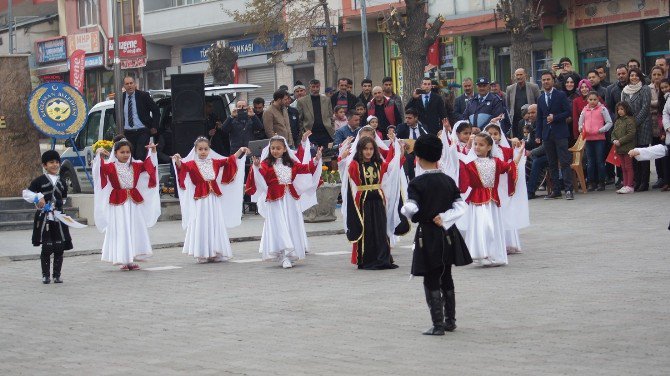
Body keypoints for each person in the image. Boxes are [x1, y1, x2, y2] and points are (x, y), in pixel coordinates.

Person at [400, 134, 470, 335]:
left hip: (428, 236)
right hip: (448, 234)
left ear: (418, 158)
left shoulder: (417, 183)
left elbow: (411, 207)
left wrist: (406, 210)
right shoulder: (447, 180)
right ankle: (450, 320)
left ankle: (438, 324)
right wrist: (445, 217)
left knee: (431, 277)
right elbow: (461, 206)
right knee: (446, 274)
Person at [245, 135, 322, 268]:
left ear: (285, 149)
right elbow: (260, 176)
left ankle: (291, 252)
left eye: (278, 148)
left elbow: (306, 168)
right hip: (275, 199)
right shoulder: (266, 164)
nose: (275, 150)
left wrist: (316, 159)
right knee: (279, 224)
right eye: (273, 148)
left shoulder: (291, 163)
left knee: (291, 223)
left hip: (290, 199)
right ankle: (282, 254)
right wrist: (256, 167)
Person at [173, 138, 249, 263]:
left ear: (209, 149)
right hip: (201, 200)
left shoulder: (214, 162)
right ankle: (202, 253)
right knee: (202, 223)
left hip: (213, 198)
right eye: (200, 149)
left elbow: (229, 160)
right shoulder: (192, 164)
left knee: (214, 222)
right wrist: (177, 160)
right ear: (196, 150)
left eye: (205, 149)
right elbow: (182, 167)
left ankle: (215, 251)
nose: (203, 152)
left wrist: (240, 151)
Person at [340, 135, 408, 270]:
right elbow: (343, 168)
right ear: (360, 150)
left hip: (378, 200)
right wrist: (343, 154)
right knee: (366, 229)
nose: (368, 152)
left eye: (371, 149)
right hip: (362, 200)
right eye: (365, 149)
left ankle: (382, 258)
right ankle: (366, 259)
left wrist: (400, 152)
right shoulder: (354, 165)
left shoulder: (379, 164)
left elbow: (392, 168)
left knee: (380, 229)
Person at [93, 135, 160, 271]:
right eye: (122, 152)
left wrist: (152, 152)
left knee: (133, 228)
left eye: (128, 152)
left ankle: (132, 257)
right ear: (115, 153)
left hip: (133, 203)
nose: (125, 154)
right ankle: (123, 259)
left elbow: (150, 166)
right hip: (118, 203)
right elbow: (98, 172)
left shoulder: (136, 165)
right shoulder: (110, 167)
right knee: (121, 228)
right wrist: (98, 155)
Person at [456, 132, 523, 266]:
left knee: (493, 227)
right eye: (475, 144)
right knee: (483, 226)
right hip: (477, 200)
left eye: (481, 145)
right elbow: (462, 179)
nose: (477, 147)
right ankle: (480, 254)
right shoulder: (470, 163)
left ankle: (495, 255)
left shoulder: (496, 162)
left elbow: (510, 168)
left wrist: (519, 154)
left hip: (492, 201)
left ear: (489, 147)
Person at [22, 150, 74, 284]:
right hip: (44, 219)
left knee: (59, 246)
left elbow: (63, 199)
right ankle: (45, 275)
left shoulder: (62, 182)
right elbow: (26, 193)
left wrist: (57, 206)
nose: (55, 165)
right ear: (45, 165)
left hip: (58, 218)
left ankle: (57, 275)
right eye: (51, 162)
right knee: (47, 247)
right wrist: (38, 199)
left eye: (57, 162)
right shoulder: (39, 181)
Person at [535, 71, 575, 200]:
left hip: (560, 133)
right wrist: (538, 134)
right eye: (543, 80)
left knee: (564, 162)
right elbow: (540, 118)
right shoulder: (540, 98)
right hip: (547, 135)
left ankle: (569, 190)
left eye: (548, 79)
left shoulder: (560, 95)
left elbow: (568, 112)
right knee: (551, 163)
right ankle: (556, 190)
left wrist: (555, 117)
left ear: (553, 81)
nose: (546, 82)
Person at [622, 67, 653, 192]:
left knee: (643, 155)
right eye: (631, 75)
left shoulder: (645, 89)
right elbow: (623, 108)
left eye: (636, 75)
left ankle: (645, 182)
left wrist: (634, 123)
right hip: (630, 128)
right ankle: (637, 180)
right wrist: (629, 125)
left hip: (643, 126)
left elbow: (645, 108)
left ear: (640, 76)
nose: (634, 77)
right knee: (633, 155)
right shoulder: (625, 91)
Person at [115, 76, 160, 160]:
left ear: (135, 84)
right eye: (127, 84)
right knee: (130, 157)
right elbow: (116, 114)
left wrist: (154, 126)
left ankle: (140, 172)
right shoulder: (120, 98)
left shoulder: (143, 96)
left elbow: (156, 110)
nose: (129, 85)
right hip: (128, 133)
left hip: (142, 131)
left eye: (131, 83)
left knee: (140, 155)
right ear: (124, 86)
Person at [578, 91, 613, 191]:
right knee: (590, 162)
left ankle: (601, 182)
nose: (592, 101)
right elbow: (580, 122)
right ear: (587, 100)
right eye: (590, 99)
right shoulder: (585, 110)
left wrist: (601, 130)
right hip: (588, 139)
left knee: (600, 161)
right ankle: (591, 182)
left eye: (595, 99)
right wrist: (581, 128)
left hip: (599, 139)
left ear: (598, 99)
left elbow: (609, 122)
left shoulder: (602, 109)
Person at [297, 79, 334, 148]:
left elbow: (331, 116)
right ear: (309, 87)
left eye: (317, 87)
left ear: (320, 87)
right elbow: (300, 120)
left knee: (326, 155)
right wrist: (303, 132)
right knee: (312, 156)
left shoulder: (326, 100)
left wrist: (332, 128)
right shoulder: (302, 101)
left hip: (325, 132)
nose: (315, 89)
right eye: (313, 87)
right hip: (310, 133)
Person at [611, 102, 637, 194]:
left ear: (626, 109)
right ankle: (625, 185)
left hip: (628, 148)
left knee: (628, 167)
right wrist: (614, 139)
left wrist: (620, 141)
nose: (620, 111)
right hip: (619, 148)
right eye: (618, 109)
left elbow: (631, 134)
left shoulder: (630, 120)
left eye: (622, 109)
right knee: (623, 167)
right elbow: (613, 132)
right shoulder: (618, 121)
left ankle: (630, 185)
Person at [396, 108, 429, 179]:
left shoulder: (423, 127)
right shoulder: (401, 127)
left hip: (422, 152)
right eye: (406, 118)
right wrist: (402, 142)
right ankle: (411, 179)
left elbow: (428, 139)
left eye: (410, 118)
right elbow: (395, 139)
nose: (407, 120)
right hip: (408, 153)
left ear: (416, 118)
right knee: (409, 158)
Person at [505, 68, 540, 133]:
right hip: (515, 119)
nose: (519, 77)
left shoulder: (533, 87)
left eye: (521, 74)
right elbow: (508, 104)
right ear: (514, 76)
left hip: (530, 119)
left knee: (530, 137)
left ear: (525, 75)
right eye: (517, 75)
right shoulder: (510, 88)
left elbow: (539, 103)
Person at [649, 65, 666, 189]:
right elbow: (646, 105)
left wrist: (655, 106)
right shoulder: (647, 89)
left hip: (665, 126)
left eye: (659, 74)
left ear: (663, 75)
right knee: (657, 152)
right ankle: (660, 177)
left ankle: (666, 177)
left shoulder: (666, 87)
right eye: (654, 74)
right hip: (652, 126)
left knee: (666, 152)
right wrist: (657, 105)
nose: (656, 77)